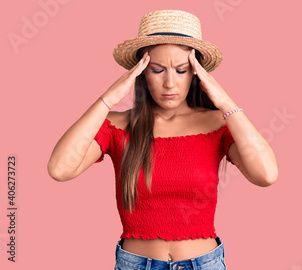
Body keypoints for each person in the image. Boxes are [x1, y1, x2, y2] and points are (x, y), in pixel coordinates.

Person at [47, 9, 278, 270]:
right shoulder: (117, 125)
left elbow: (266, 175)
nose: (170, 83)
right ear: (141, 73)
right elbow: (59, 169)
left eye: (181, 70)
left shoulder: (218, 124)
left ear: (196, 74)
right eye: (157, 70)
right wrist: (109, 97)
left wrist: (224, 102)